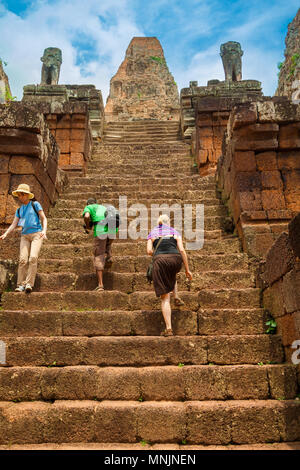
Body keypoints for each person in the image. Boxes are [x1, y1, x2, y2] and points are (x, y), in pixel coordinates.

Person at [147, 214, 193, 336]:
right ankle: (176, 296)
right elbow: (182, 250)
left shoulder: (153, 233)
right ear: (169, 223)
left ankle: (168, 328)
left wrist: (160, 254)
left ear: (159, 223)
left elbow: (149, 251)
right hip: (175, 259)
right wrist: (187, 270)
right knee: (171, 273)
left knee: (165, 298)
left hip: (161, 261)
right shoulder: (174, 232)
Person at [0, 183, 47, 293]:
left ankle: (29, 284)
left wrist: (44, 231)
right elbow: (14, 224)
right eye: (19, 195)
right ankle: (20, 284)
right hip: (25, 236)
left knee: (33, 258)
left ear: (27, 195)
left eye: (22, 195)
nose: (20, 197)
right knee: (22, 260)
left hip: (37, 234)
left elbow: (44, 218)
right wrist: (6, 233)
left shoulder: (35, 204)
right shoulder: (19, 210)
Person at [82, 198, 117, 291]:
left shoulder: (89, 207)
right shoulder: (103, 207)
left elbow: (86, 216)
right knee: (107, 243)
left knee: (99, 255)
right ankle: (109, 256)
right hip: (113, 230)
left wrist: (88, 226)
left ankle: (100, 285)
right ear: (96, 203)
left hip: (101, 231)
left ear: (88, 203)